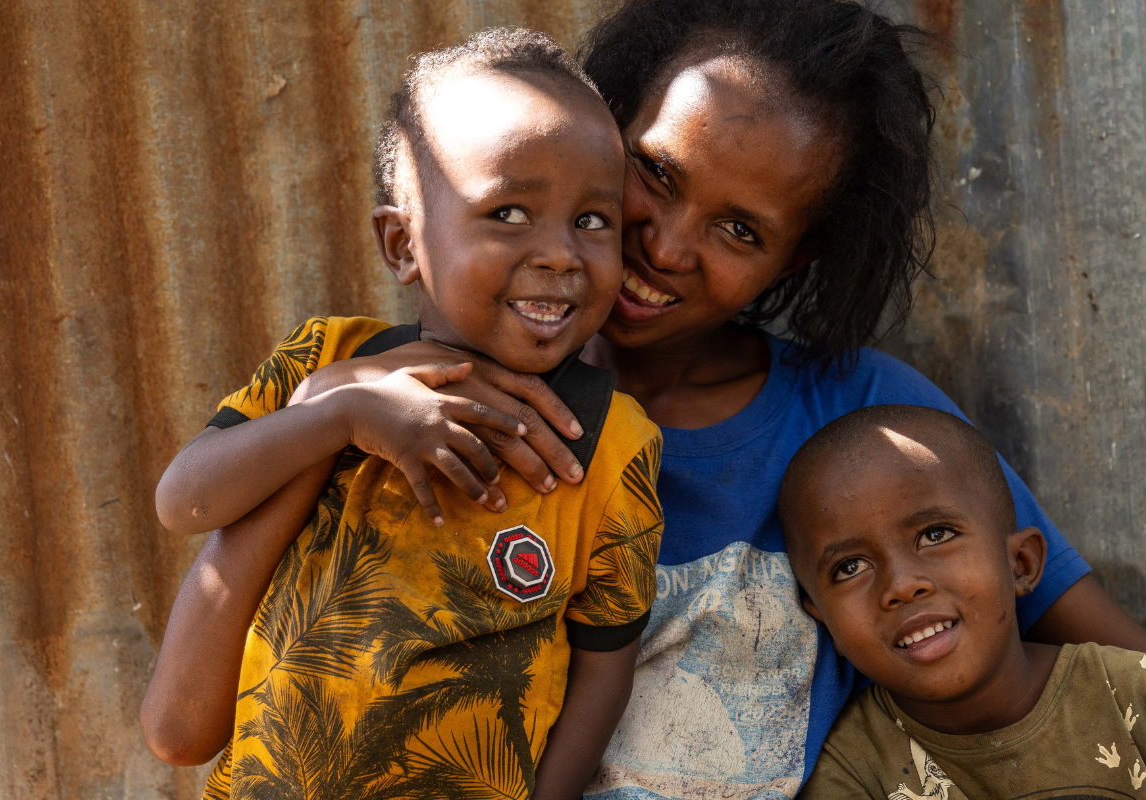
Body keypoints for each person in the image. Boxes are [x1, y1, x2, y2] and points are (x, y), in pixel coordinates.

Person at [148, 1, 1146, 798]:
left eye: (740, 231)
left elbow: (1085, 644)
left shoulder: (866, 417)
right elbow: (192, 706)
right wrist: (328, 406)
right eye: (653, 175)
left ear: (795, 261)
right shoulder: (400, 395)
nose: (664, 245)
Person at [143, 30, 666, 800]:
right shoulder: (325, 360)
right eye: (510, 211)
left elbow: (602, 671)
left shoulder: (610, 446)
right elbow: (184, 499)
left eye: (594, 221)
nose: (560, 253)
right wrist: (341, 414)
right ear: (402, 244)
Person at [781, 405, 1146, 798]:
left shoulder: (1129, 692)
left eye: (936, 535)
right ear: (822, 620)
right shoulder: (848, 770)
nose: (902, 586)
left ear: (1021, 563)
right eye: (850, 567)